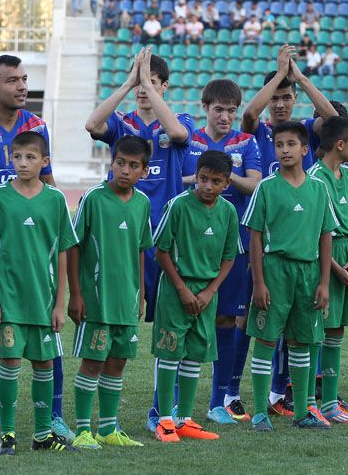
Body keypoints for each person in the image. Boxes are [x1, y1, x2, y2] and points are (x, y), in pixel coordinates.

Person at [84, 50, 193, 432]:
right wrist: (130, 82)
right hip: (123, 242)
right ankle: (95, 420)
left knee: (170, 330)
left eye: (153, 82)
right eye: (142, 82)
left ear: (164, 86)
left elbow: (178, 136)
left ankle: (160, 409)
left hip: (167, 242)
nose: (145, 89)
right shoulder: (123, 123)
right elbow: (92, 123)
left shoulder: (179, 122)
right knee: (115, 329)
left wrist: (147, 84)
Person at [0, 55, 64, 440]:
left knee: (44, 333)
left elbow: (50, 183)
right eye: (12, 81)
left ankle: (52, 416)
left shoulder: (36, 125)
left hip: (33, 253)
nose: (22, 86)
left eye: (24, 79)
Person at [240, 46, 339, 416]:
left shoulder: (306, 134)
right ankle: (246, 400)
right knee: (256, 329)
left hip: (306, 259)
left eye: (286, 98)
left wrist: (297, 78)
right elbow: (250, 113)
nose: (280, 104)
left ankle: (294, 404)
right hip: (267, 250)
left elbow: (331, 119)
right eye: (275, 98)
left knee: (300, 338)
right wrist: (278, 77)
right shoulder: (261, 134)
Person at [0, 132, 78, 455]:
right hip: (8, 300)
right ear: (10, 159)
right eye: (17, 157)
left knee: (45, 363)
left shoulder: (56, 200)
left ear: (45, 162)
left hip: (44, 301)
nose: (23, 163)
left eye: (31, 157)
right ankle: (7, 434)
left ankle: (43, 435)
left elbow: (63, 251)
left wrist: (60, 303)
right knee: (9, 361)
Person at [180, 79, 260, 425]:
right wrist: (219, 177)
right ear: (205, 108)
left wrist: (219, 177)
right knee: (187, 321)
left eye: (231, 110)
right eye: (219, 109)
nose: (226, 116)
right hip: (193, 245)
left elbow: (255, 184)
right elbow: (182, 180)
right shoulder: (190, 140)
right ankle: (172, 403)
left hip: (235, 242)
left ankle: (218, 401)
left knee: (227, 319)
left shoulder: (247, 141)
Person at [68, 136, 153, 449]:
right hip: (97, 300)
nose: (125, 170)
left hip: (126, 300)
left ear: (144, 170)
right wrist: (76, 294)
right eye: (120, 163)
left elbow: (142, 250)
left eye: (133, 166)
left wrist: (141, 291)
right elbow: (74, 246)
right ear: (111, 163)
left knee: (118, 362)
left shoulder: (143, 203)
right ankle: (82, 431)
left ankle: (107, 429)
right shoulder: (93, 198)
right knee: (93, 361)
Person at [151, 150, 240, 442]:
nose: (208, 186)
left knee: (193, 355)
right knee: (170, 351)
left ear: (226, 183)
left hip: (206, 294)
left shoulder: (227, 211)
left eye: (216, 181)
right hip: (177, 291)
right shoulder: (178, 206)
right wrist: (182, 289)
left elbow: (229, 257)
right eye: (203, 179)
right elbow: (161, 250)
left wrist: (210, 290)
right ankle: (164, 420)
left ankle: (184, 418)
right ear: (196, 176)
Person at [305, 117, 348, 425]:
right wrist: (335, 269)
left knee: (336, 330)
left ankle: (330, 403)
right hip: (323, 258)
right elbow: (315, 230)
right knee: (315, 330)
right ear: (340, 145)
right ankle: (307, 403)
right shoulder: (315, 177)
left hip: (346, 259)